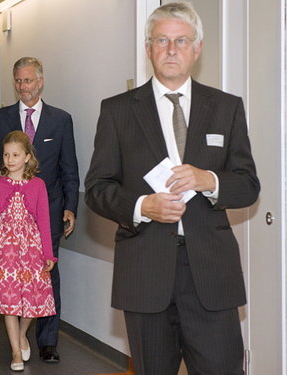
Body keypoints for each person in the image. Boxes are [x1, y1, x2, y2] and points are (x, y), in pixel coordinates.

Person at [85, 3, 260, 374]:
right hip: (145, 273)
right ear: (148, 48)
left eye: (181, 41)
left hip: (211, 275)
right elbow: (97, 187)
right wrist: (142, 206)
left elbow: (247, 184)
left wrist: (208, 180)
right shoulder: (117, 111)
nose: (171, 49)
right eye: (161, 40)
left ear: (197, 49)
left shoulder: (226, 108)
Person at [0, 57, 79, 363]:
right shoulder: (0, 118)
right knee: (13, 279)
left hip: (48, 211)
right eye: (18, 81)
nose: (24, 87)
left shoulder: (61, 119)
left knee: (46, 276)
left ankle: (47, 342)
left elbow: (69, 169)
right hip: (8, 218)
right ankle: (17, 339)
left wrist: (71, 207)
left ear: (41, 81)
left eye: (29, 80)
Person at [0, 130, 56, 371]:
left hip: (31, 248)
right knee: (9, 302)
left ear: (27, 157)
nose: (10, 159)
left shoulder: (38, 185)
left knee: (32, 297)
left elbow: (44, 220)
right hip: (3, 248)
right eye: (6, 154)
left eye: (15, 155)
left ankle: (21, 334)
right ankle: (16, 352)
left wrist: (48, 254)